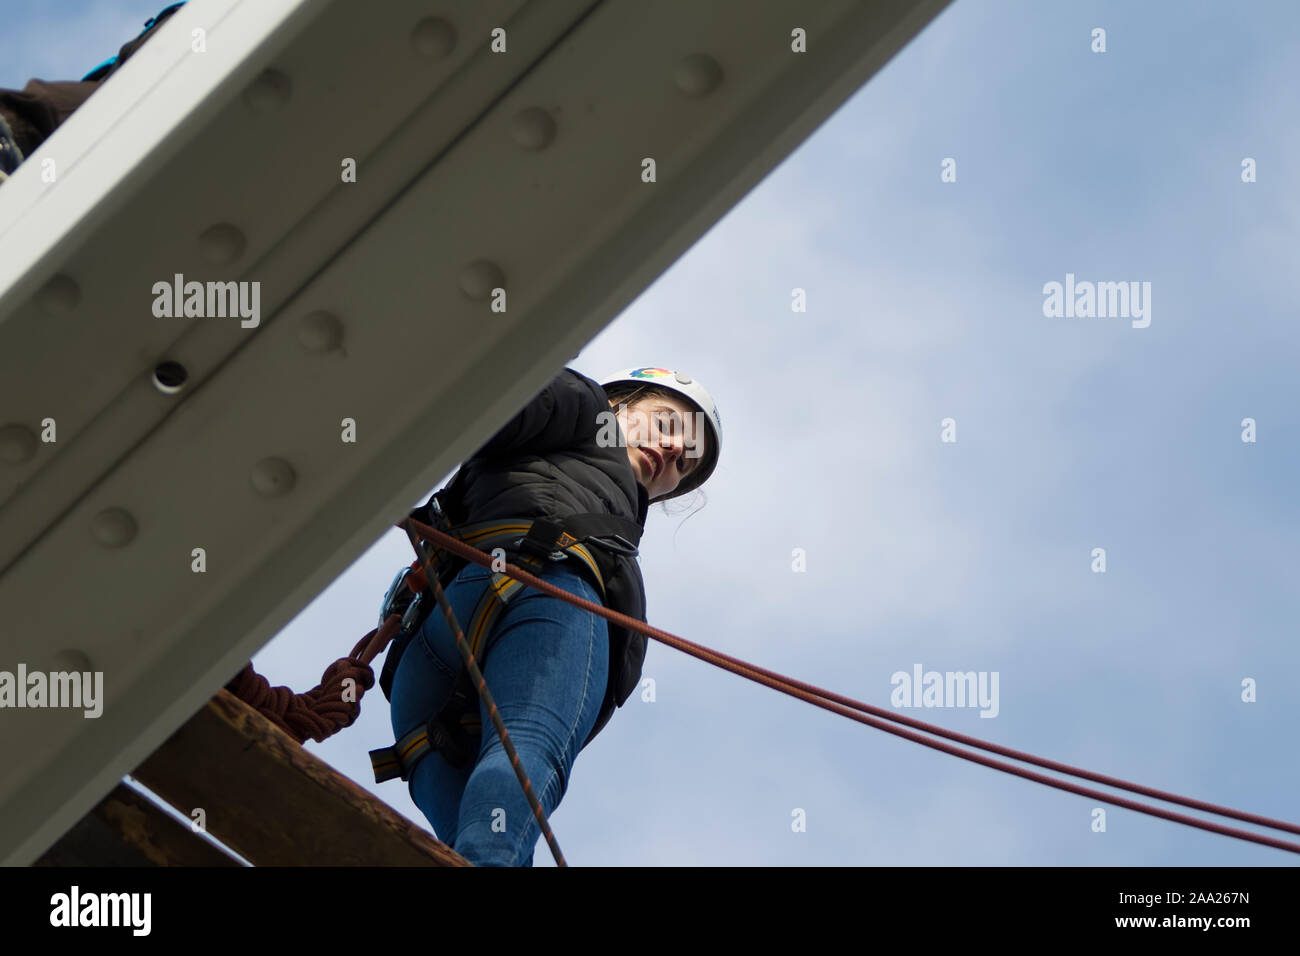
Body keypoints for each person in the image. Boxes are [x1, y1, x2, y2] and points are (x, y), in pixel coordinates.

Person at [385, 365, 722, 866]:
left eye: (685, 463)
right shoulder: (583, 405)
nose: (674, 451)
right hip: (538, 594)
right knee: (521, 766)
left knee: (472, 848)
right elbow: (498, 406)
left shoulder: (612, 525)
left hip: (427, 671)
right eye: (666, 423)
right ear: (620, 404)